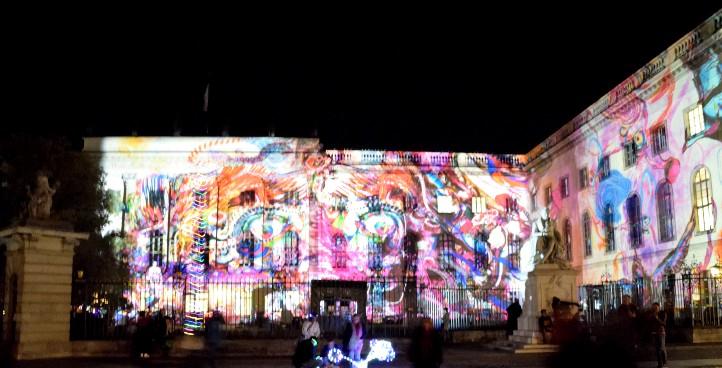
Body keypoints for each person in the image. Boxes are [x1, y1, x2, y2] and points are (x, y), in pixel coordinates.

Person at [649, 303, 668, 368]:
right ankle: (660, 364)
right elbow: (649, 323)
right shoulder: (651, 315)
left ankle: (664, 361)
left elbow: (664, 323)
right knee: (657, 349)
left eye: (656, 308)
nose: (655, 309)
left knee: (661, 348)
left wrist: (657, 318)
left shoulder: (663, 313)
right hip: (654, 333)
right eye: (653, 308)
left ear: (659, 307)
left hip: (661, 333)